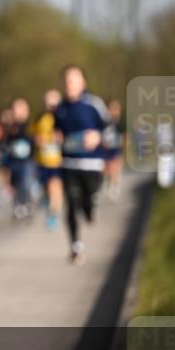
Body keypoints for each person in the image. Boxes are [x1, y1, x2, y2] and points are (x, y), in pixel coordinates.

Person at [53, 65, 110, 265]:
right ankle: (76, 247)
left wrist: (97, 136)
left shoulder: (94, 104)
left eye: (73, 80)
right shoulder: (60, 109)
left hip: (92, 164)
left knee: (87, 205)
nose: (69, 84)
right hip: (69, 163)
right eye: (66, 80)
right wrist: (56, 138)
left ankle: (91, 206)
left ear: (82, 82)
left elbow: (111, 130)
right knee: (70, 204)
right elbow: (56, 131)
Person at [31, 89, 64, 231]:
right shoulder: (40, 119)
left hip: (58, 161)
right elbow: (33, 135)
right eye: (48, 103)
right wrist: (38, 140)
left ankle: (53, 214)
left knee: (55, 187)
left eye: (54, 103)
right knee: (47, 188)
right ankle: (48, 202)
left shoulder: (63, 118)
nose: (51, 106)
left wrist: (58, 138)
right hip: (42, 161)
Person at [0, 98, 35, 221]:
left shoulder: (30, 125)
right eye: (15, 109)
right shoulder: (10, 126)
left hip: (27, 160)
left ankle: (26, 202)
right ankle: (17, 204)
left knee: (25, 182)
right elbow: (4, 141)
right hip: (13, 159)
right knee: (14, 183)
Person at [103, 99, 125, 201]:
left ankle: (115, 186)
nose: (114, 111)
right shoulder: (105, 122)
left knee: (115, 167)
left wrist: (122, 144)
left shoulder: (120, 122)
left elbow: (124, 136)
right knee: (107, 169)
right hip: (106, 148)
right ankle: (108, 183)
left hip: (117, 148)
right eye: (112, 109)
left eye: (116, 109)